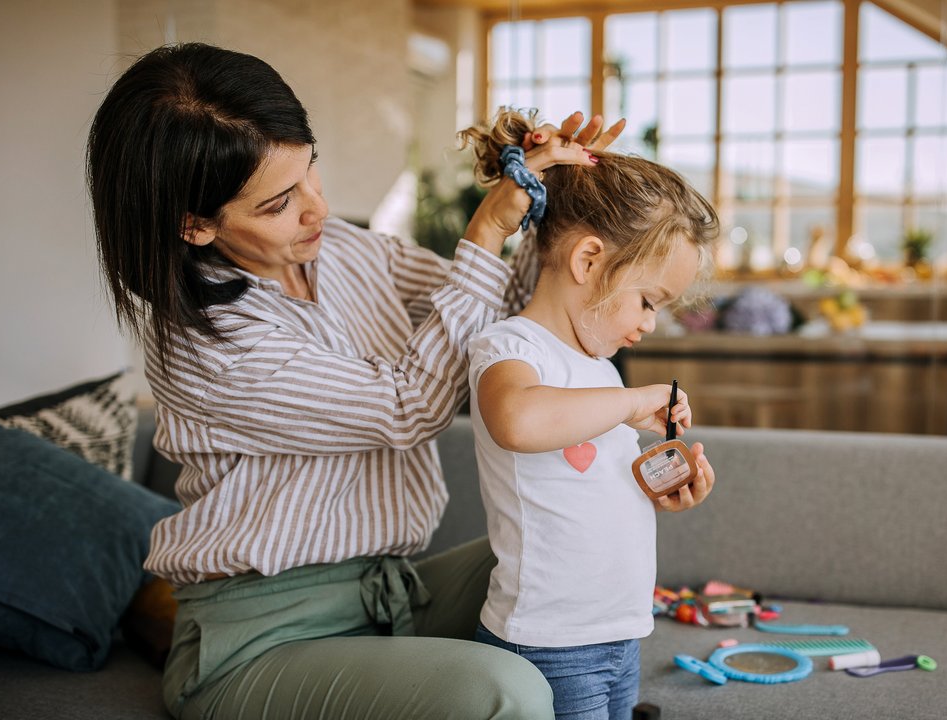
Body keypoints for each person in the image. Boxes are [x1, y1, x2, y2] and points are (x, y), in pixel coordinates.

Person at [87, 42, 626, 720]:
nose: (318, 208)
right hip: (261, 640)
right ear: (194, 224)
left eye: (312, 172)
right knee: (506, 694)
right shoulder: (205, 343)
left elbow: (493, 314)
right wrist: (485, 227)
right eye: (280, 202)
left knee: (584, 549)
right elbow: (412, 405)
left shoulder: (343, 248)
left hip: (389, 594)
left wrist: (551, 205)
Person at [458, 109, 719, 719]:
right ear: (587, 261)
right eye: (648, 300)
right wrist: (632, 404)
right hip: (549, 641)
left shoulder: (598, 367)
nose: (650, 323)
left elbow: (591, 482)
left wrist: (662, 483)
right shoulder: (509, 347)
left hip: (619, 629)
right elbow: (520, 421)